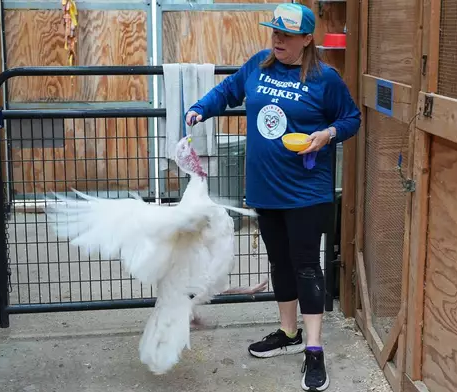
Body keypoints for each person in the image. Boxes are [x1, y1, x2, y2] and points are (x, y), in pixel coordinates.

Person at [185, 3, 361, 391]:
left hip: (305, 191)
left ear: (307, 39)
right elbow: (228, 90)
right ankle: (288, 332)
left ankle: (314, 349)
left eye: (286, 35)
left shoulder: (324, 78)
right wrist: (201, 108)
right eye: (274, 32)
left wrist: (326, 134)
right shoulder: (258, 64)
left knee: (305, 266)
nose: (277, 39)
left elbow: (351, 118)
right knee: (279, 262)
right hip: (265, 188)